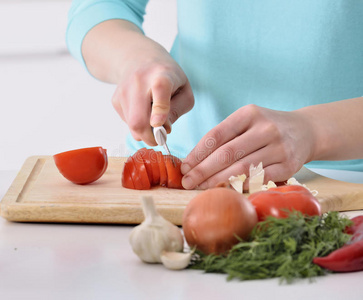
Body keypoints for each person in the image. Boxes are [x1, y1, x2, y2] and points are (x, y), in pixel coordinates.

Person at [66, 0, 363, 190]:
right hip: (174, 170)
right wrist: (135, 59)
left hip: (341, 183)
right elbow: (98, 6)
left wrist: (315, 131)